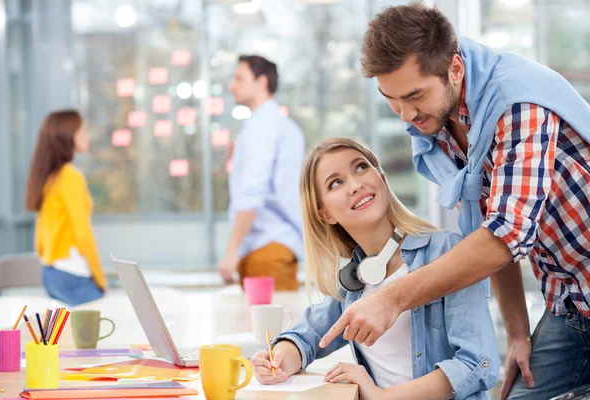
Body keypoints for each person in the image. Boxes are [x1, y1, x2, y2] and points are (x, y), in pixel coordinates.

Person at [318, 4, 590, 400]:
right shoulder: (438, 121)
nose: (406, 116)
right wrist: (517, 334)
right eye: (391, 99)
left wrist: (392, 299)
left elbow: (505, 235)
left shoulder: (518, 104)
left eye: (414, 96)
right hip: (569, 299)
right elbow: (486, 223)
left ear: (455, 70)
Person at [250, 138, 499, 400]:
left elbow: (478, 364)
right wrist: (280, 362)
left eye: (361, 167)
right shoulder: (354, 282)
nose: (356, 185)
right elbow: (309, 333)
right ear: (325, 214)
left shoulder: (446, 251)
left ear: (381, 178)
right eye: (336, 183)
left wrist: (383, 396)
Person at [219, 55, 305, 291]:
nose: (231, 85)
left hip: (266, 247)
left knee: (271, 328)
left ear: (262, 82)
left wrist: (231, 251)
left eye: (239, 78)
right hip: (273, 245)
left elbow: (253, 192)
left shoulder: (262, 126)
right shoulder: (281, 125)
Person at [25, 109, 106, 306]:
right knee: (97, 332)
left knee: (66, 334)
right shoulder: (70, 177)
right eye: (83, 130)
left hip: (51, 272)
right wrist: (100, 278)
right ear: (68, 136)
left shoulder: (50, 177)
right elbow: (83, 233)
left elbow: (41, 232)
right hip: (74, 273)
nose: (88, 136)